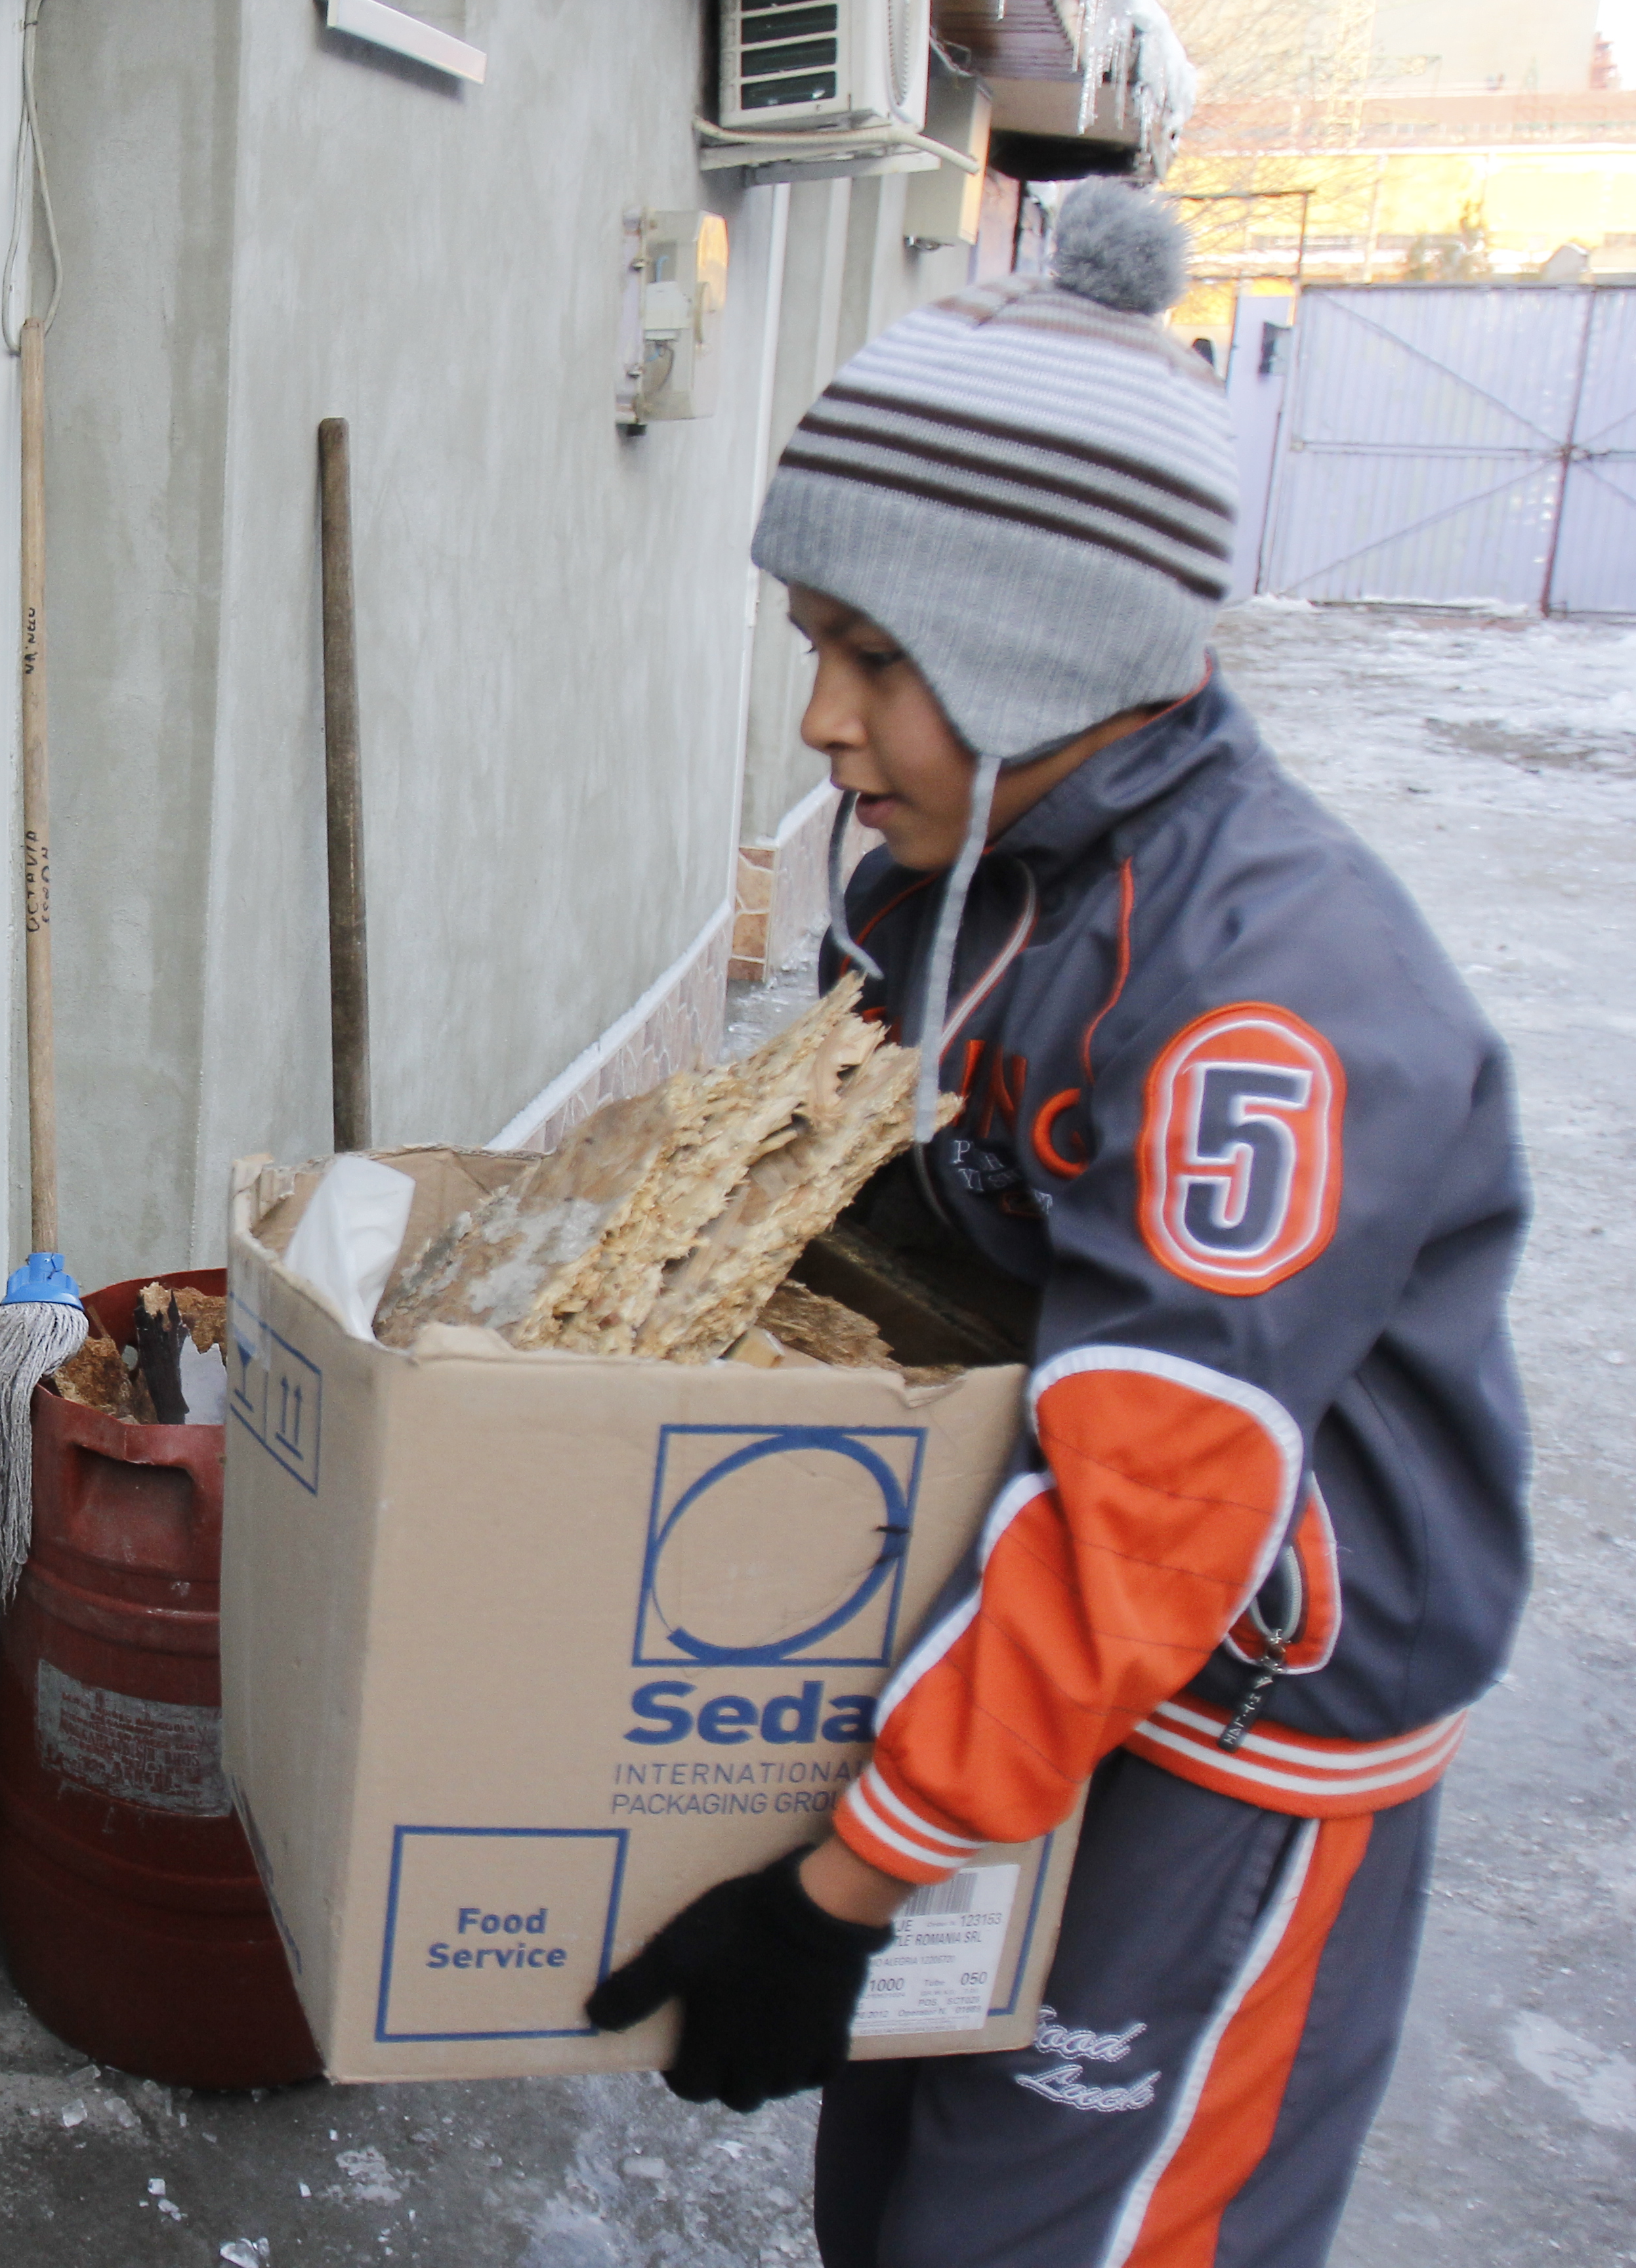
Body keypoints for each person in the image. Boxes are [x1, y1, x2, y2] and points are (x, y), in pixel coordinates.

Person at [583, 182, 1530, 2268]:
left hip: (1250, 1718)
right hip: (1046, 1663)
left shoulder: (1263, 1012)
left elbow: (1148, 1536)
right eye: (816, 646)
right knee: (909, 2204)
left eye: (879, 657)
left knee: (1072, 2235)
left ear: (1046, 644)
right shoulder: (977, 870)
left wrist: (833, 1900)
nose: (822, 720)